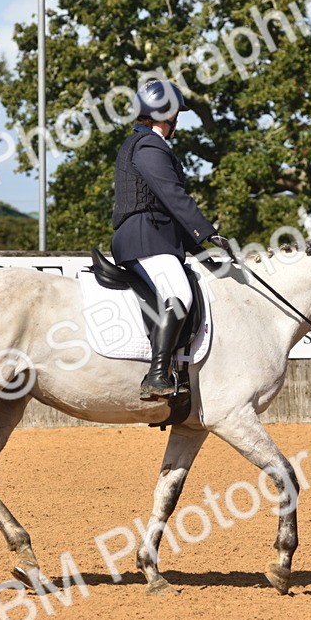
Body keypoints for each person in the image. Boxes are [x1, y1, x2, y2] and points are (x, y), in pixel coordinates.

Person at [111, 79, 233, 399]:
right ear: (166, 113)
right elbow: (172, 195)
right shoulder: (150, 146)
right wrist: (207, 231)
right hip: (144, 238)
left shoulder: (142, 144)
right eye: (176, 112)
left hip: (153, 235)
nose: (178, 119)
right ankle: (156, 374)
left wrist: (201, 248)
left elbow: (165, 206)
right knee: (178, 293)